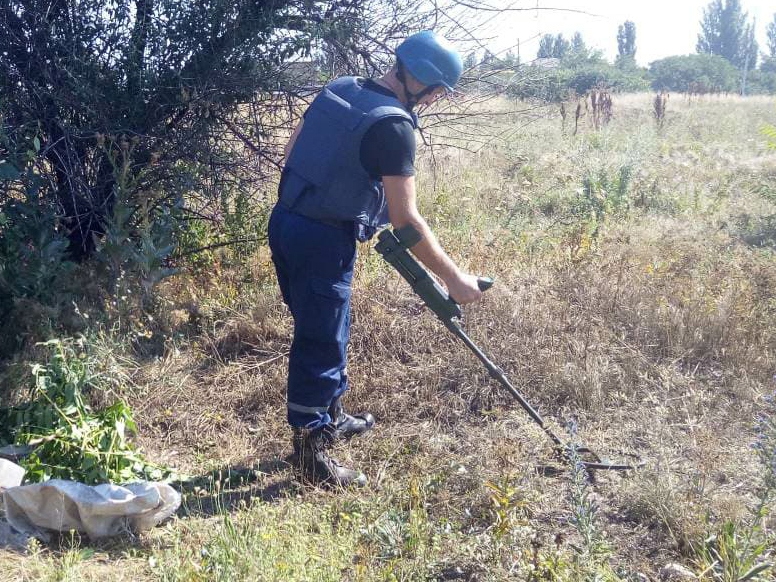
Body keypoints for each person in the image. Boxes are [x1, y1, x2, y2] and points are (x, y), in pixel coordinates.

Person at [269, 30, 483, 487]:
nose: (436, 99)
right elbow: (406, 222)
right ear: (424, 82)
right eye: (439, 90)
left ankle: (333, 413)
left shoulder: (341, 87)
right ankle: (312, 455)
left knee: (327, 326)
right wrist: (454, 279)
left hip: (286, 220)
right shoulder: (394, 127)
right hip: (322, 239)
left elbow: (290, 155)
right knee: (320, 340)